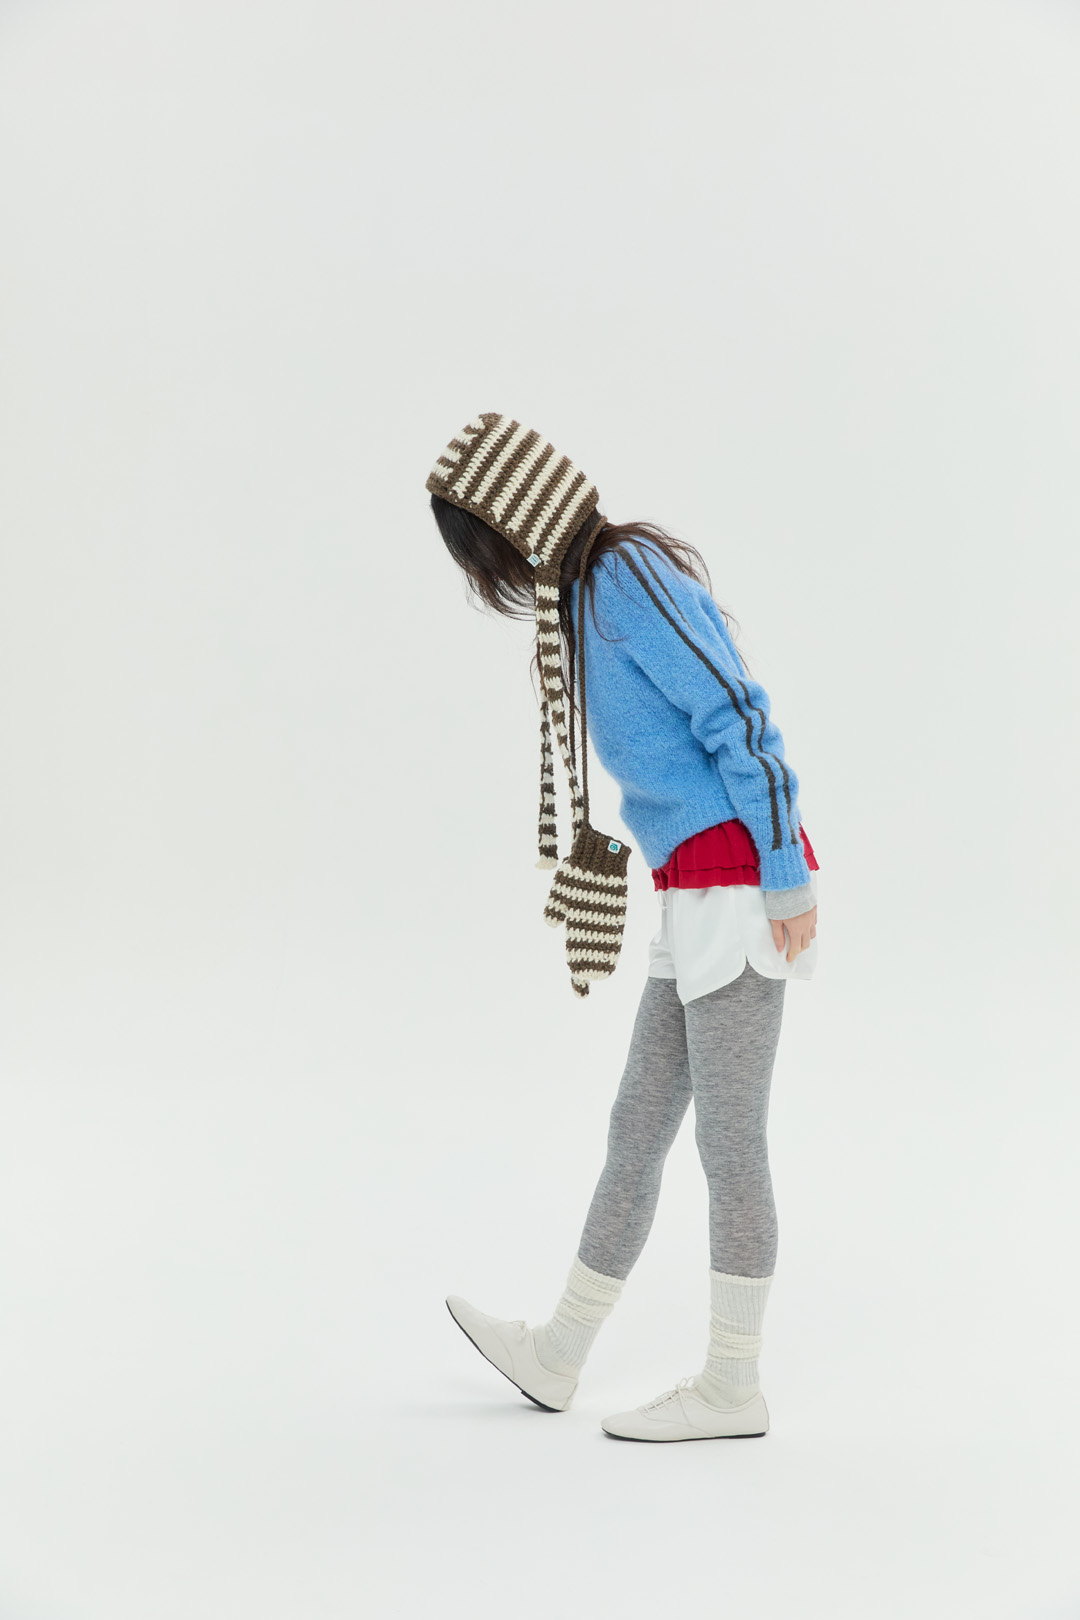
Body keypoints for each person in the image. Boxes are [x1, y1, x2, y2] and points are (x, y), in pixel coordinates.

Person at [426, 413, 819, 1443]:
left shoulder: (626, 579)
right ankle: (559, 1354)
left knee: (730, 1143)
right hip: (692, 889)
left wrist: (785, 875)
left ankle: (732, 1387)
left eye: (483, 554)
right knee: (637, 1127)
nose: (489, 579)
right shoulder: (585, 600)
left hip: (739, 884)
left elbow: (737, 712)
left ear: (516, 524)